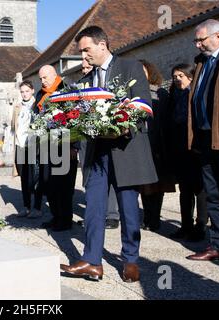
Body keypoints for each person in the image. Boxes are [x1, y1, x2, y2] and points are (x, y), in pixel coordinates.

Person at [60, 26, 157, 282]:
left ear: (102, 45)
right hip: (96, 152)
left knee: (127, 208)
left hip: (125, 149)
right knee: (93, 206)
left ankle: (131, 260)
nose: (83, 56)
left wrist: (123, 123)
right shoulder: (86, 79)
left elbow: (144, 104)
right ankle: (92, 261)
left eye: (86, 50)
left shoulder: (131, 67)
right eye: (81, 51)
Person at [185, 19, 219, 272]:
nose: (198, 45)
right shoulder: (201, 62)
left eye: (202, 40)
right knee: (215, 195)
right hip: (207, 139)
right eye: (196, 40)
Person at [34, 65, 79, 232]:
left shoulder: (67, 90)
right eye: (40, 79)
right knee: (48, 184)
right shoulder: (41, 94)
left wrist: (75, 146)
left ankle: (65, 219)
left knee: (64, 186)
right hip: (47, 144)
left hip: (65, 144)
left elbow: (77, 118)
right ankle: (55, 216)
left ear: (54, 75)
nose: (42, 81)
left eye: (45, 78)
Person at [167, 63, 208, 241]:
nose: (177, 79)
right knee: (184, 189)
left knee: (199, 189)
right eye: (174, 76)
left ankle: (200, 227)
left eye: (180, 76)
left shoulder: (196, 94)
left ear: (190, 77)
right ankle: (185, 226)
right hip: (179, 147)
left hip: (195, 147)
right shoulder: (174, 95)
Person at [78, 60, 120, 230]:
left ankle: (111, 215)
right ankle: (93, 214)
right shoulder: (81, 85)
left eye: (88, 67)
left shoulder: (106, 81)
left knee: (108, 178)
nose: (85, 70)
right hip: (86, 139)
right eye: (83, 69)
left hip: (105, 136)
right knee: (89, 178)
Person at [138, 60, 176, 232]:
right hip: (142, 143)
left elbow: (168, 120)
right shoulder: (133, 94)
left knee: (157, 184)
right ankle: (147, 216)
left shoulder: (160, 93)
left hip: (159, 144)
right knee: (144, 185)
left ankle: (154, 219)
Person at [11, 80, 44, 218]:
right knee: (24, 177)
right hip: (20, 145)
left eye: (27, 91)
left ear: (32, 91)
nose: (24, 94)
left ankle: (37, 208)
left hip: (33, 145)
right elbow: (14, 127)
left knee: (35, 177)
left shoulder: (38, 105)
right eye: (22, 92)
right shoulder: (17, 107)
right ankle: (26, 207)